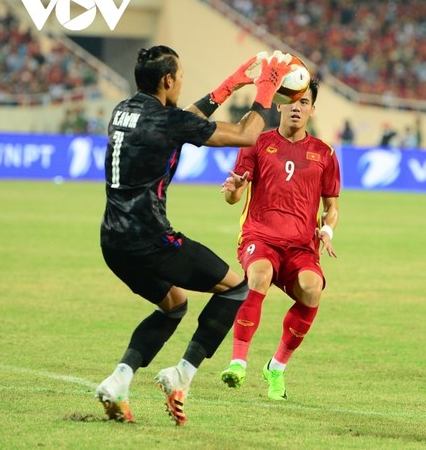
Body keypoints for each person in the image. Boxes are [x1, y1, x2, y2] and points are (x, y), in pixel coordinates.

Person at [94, 45, 294, 425]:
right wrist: (265, 89)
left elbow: (180, 121)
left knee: (174, 305)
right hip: (150, 241)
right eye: (181, 76)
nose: (182, 82)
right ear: (168, 80)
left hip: (112, 241)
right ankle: (180, 376)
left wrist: (230, 86)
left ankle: (119, 380)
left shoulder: (124, 111)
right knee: (236, 288)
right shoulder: (167, 120)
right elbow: (245, 134)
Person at [219, 78, 341, 401]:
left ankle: (276, 367)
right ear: (279, 104)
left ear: (313, 110)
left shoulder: (324, 154)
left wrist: (327, 230)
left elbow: (332, 206)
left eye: (304, 103)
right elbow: (235, 194)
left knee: (312, 290)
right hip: (260, 236)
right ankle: (238, 363)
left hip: (301, 246)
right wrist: (232, 192)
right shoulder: (256, 143)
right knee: (259, 275)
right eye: (292, 101)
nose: (297, 108)